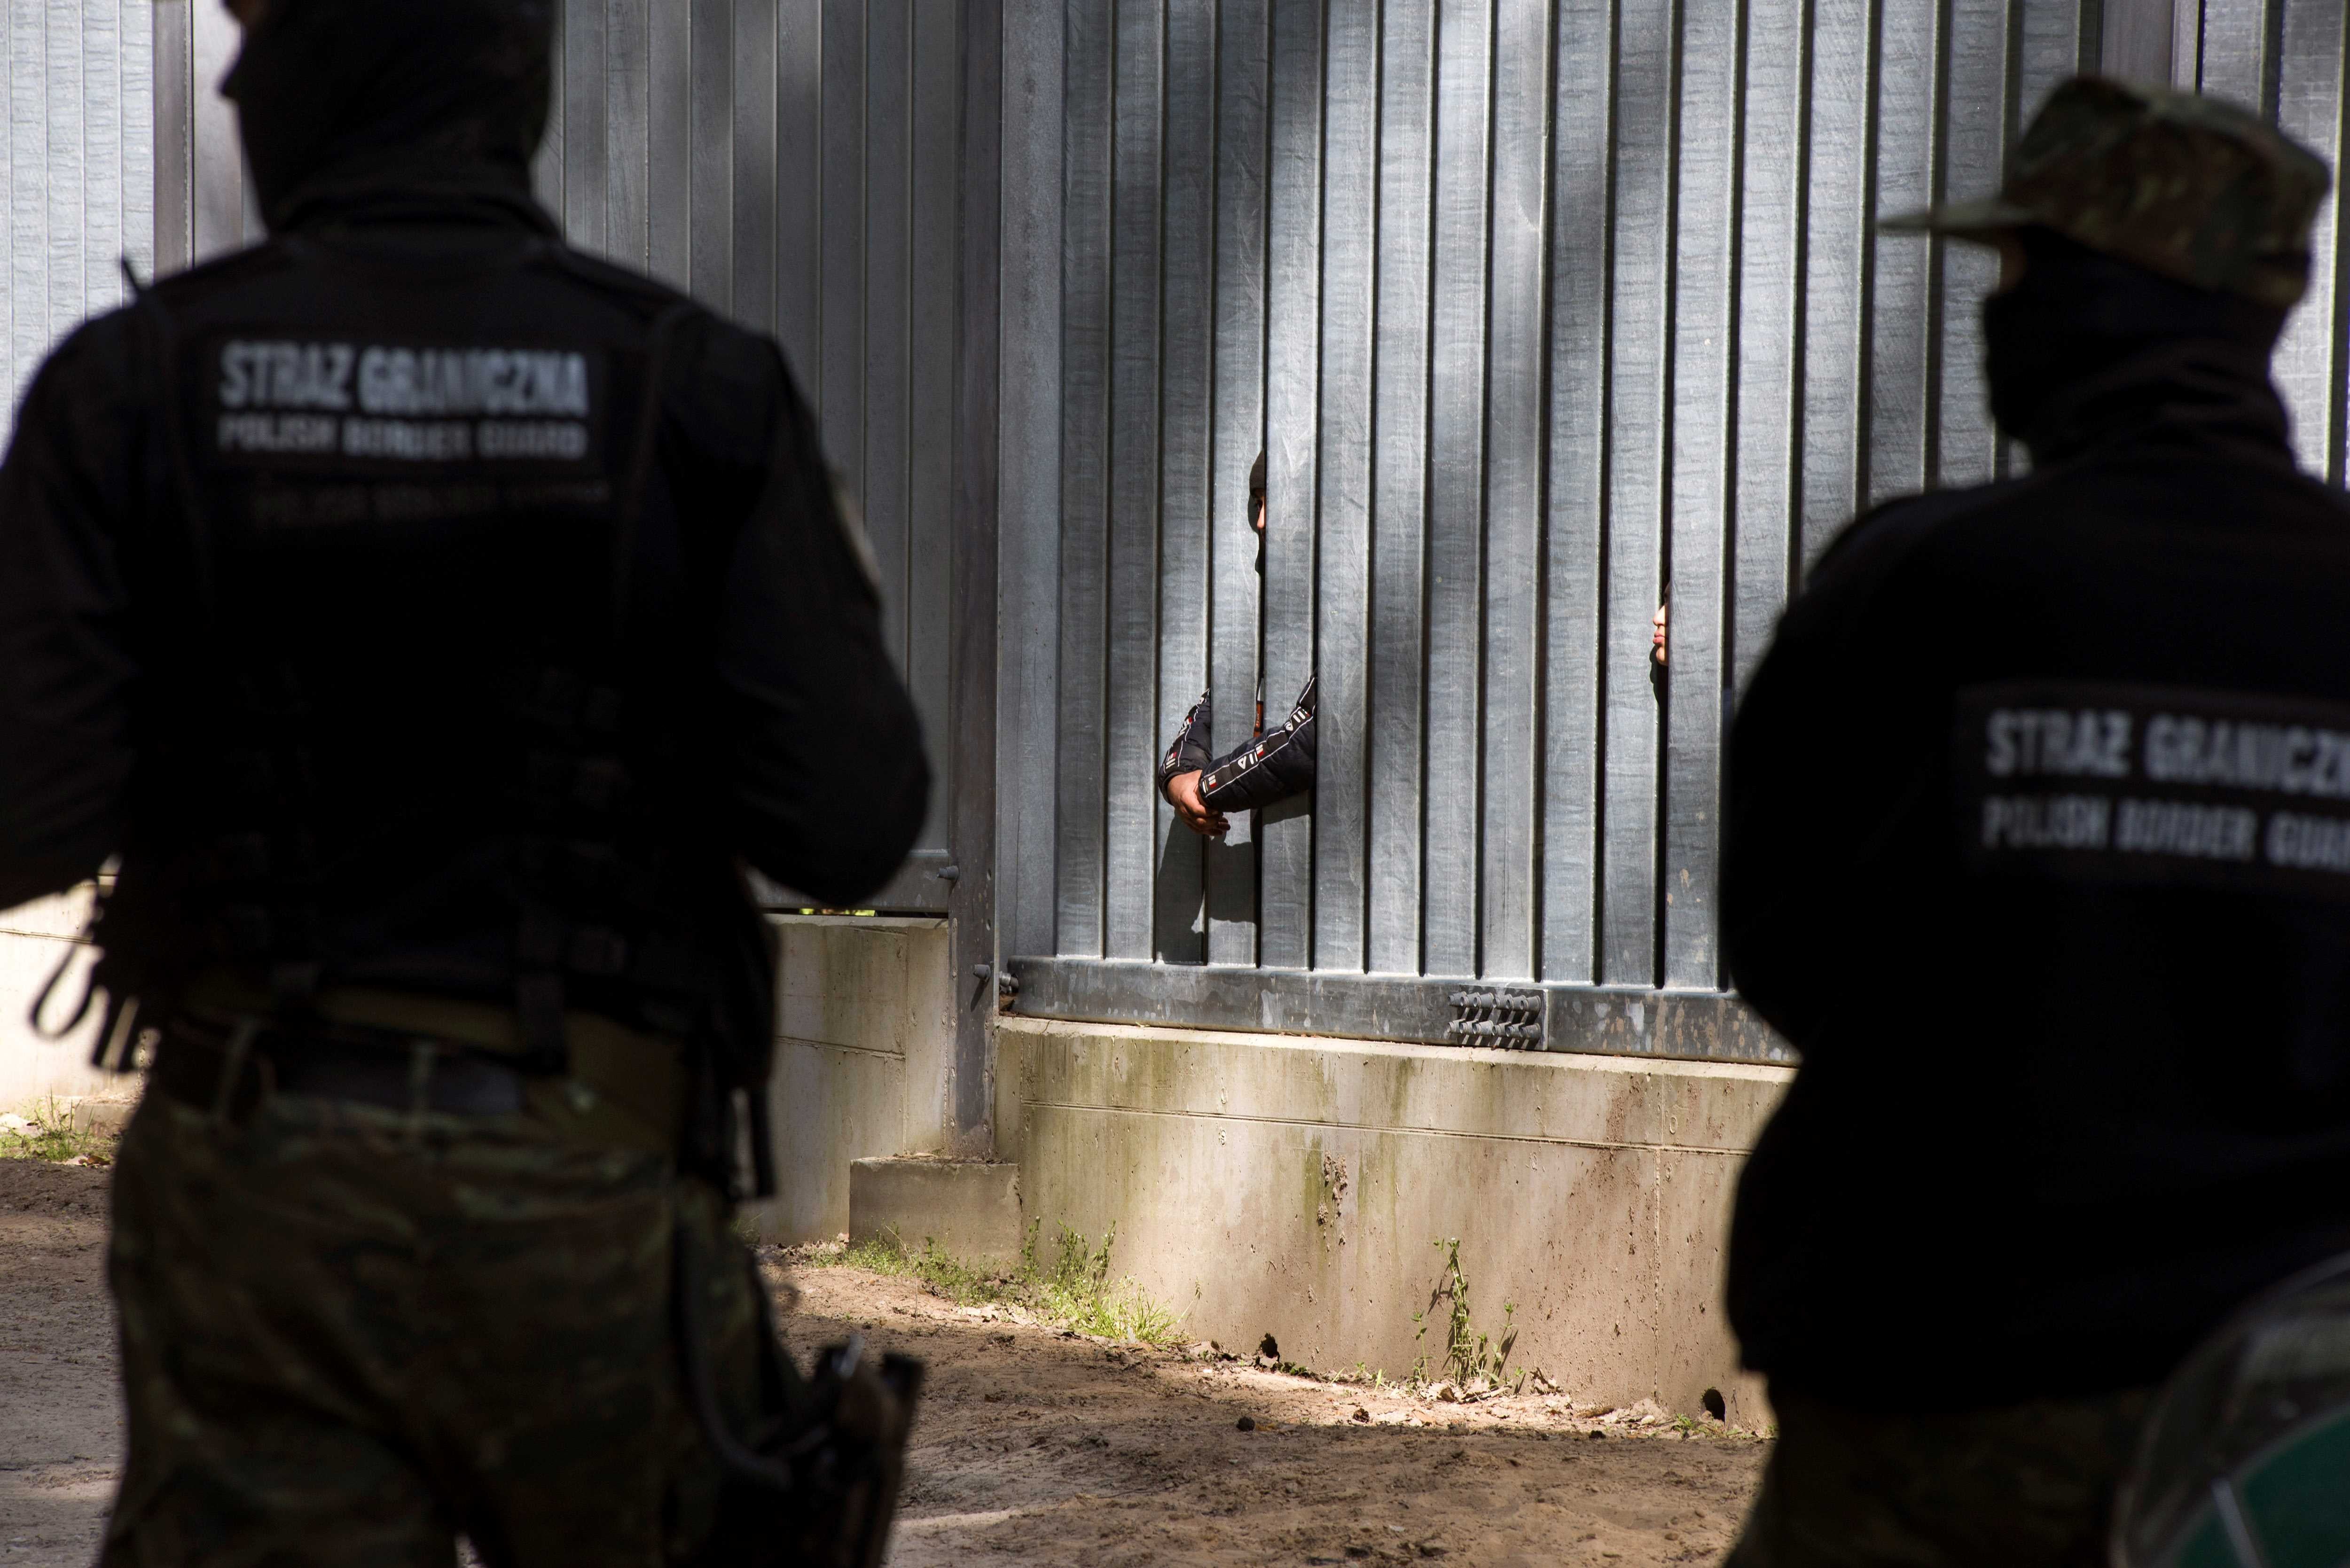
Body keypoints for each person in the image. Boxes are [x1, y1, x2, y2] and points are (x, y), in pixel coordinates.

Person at [0, 1, 929, 1563]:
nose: (227, 76)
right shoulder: (691, 391)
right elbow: (850, 814)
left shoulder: (132, 388)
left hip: (260, 1191)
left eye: (260, 35)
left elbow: (19, 808)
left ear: (330, 72)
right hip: (593, 1190)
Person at [1720, 77, 2349, 1566]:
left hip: (1943, 1398)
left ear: (2090, 297)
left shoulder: (1921, 584)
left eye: (2015, 272)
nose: (1997, 309)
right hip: (2290, 1428)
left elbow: (1784, 950)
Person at [1160, 451, 1317, 837]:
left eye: (1273, 502)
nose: (1260, 522)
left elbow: (1307, 742)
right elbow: (1223, 704)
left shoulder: (1357, 617)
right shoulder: (1284, 620)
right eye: (1258, 504)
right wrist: (1179, 779)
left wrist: (1205, 787)